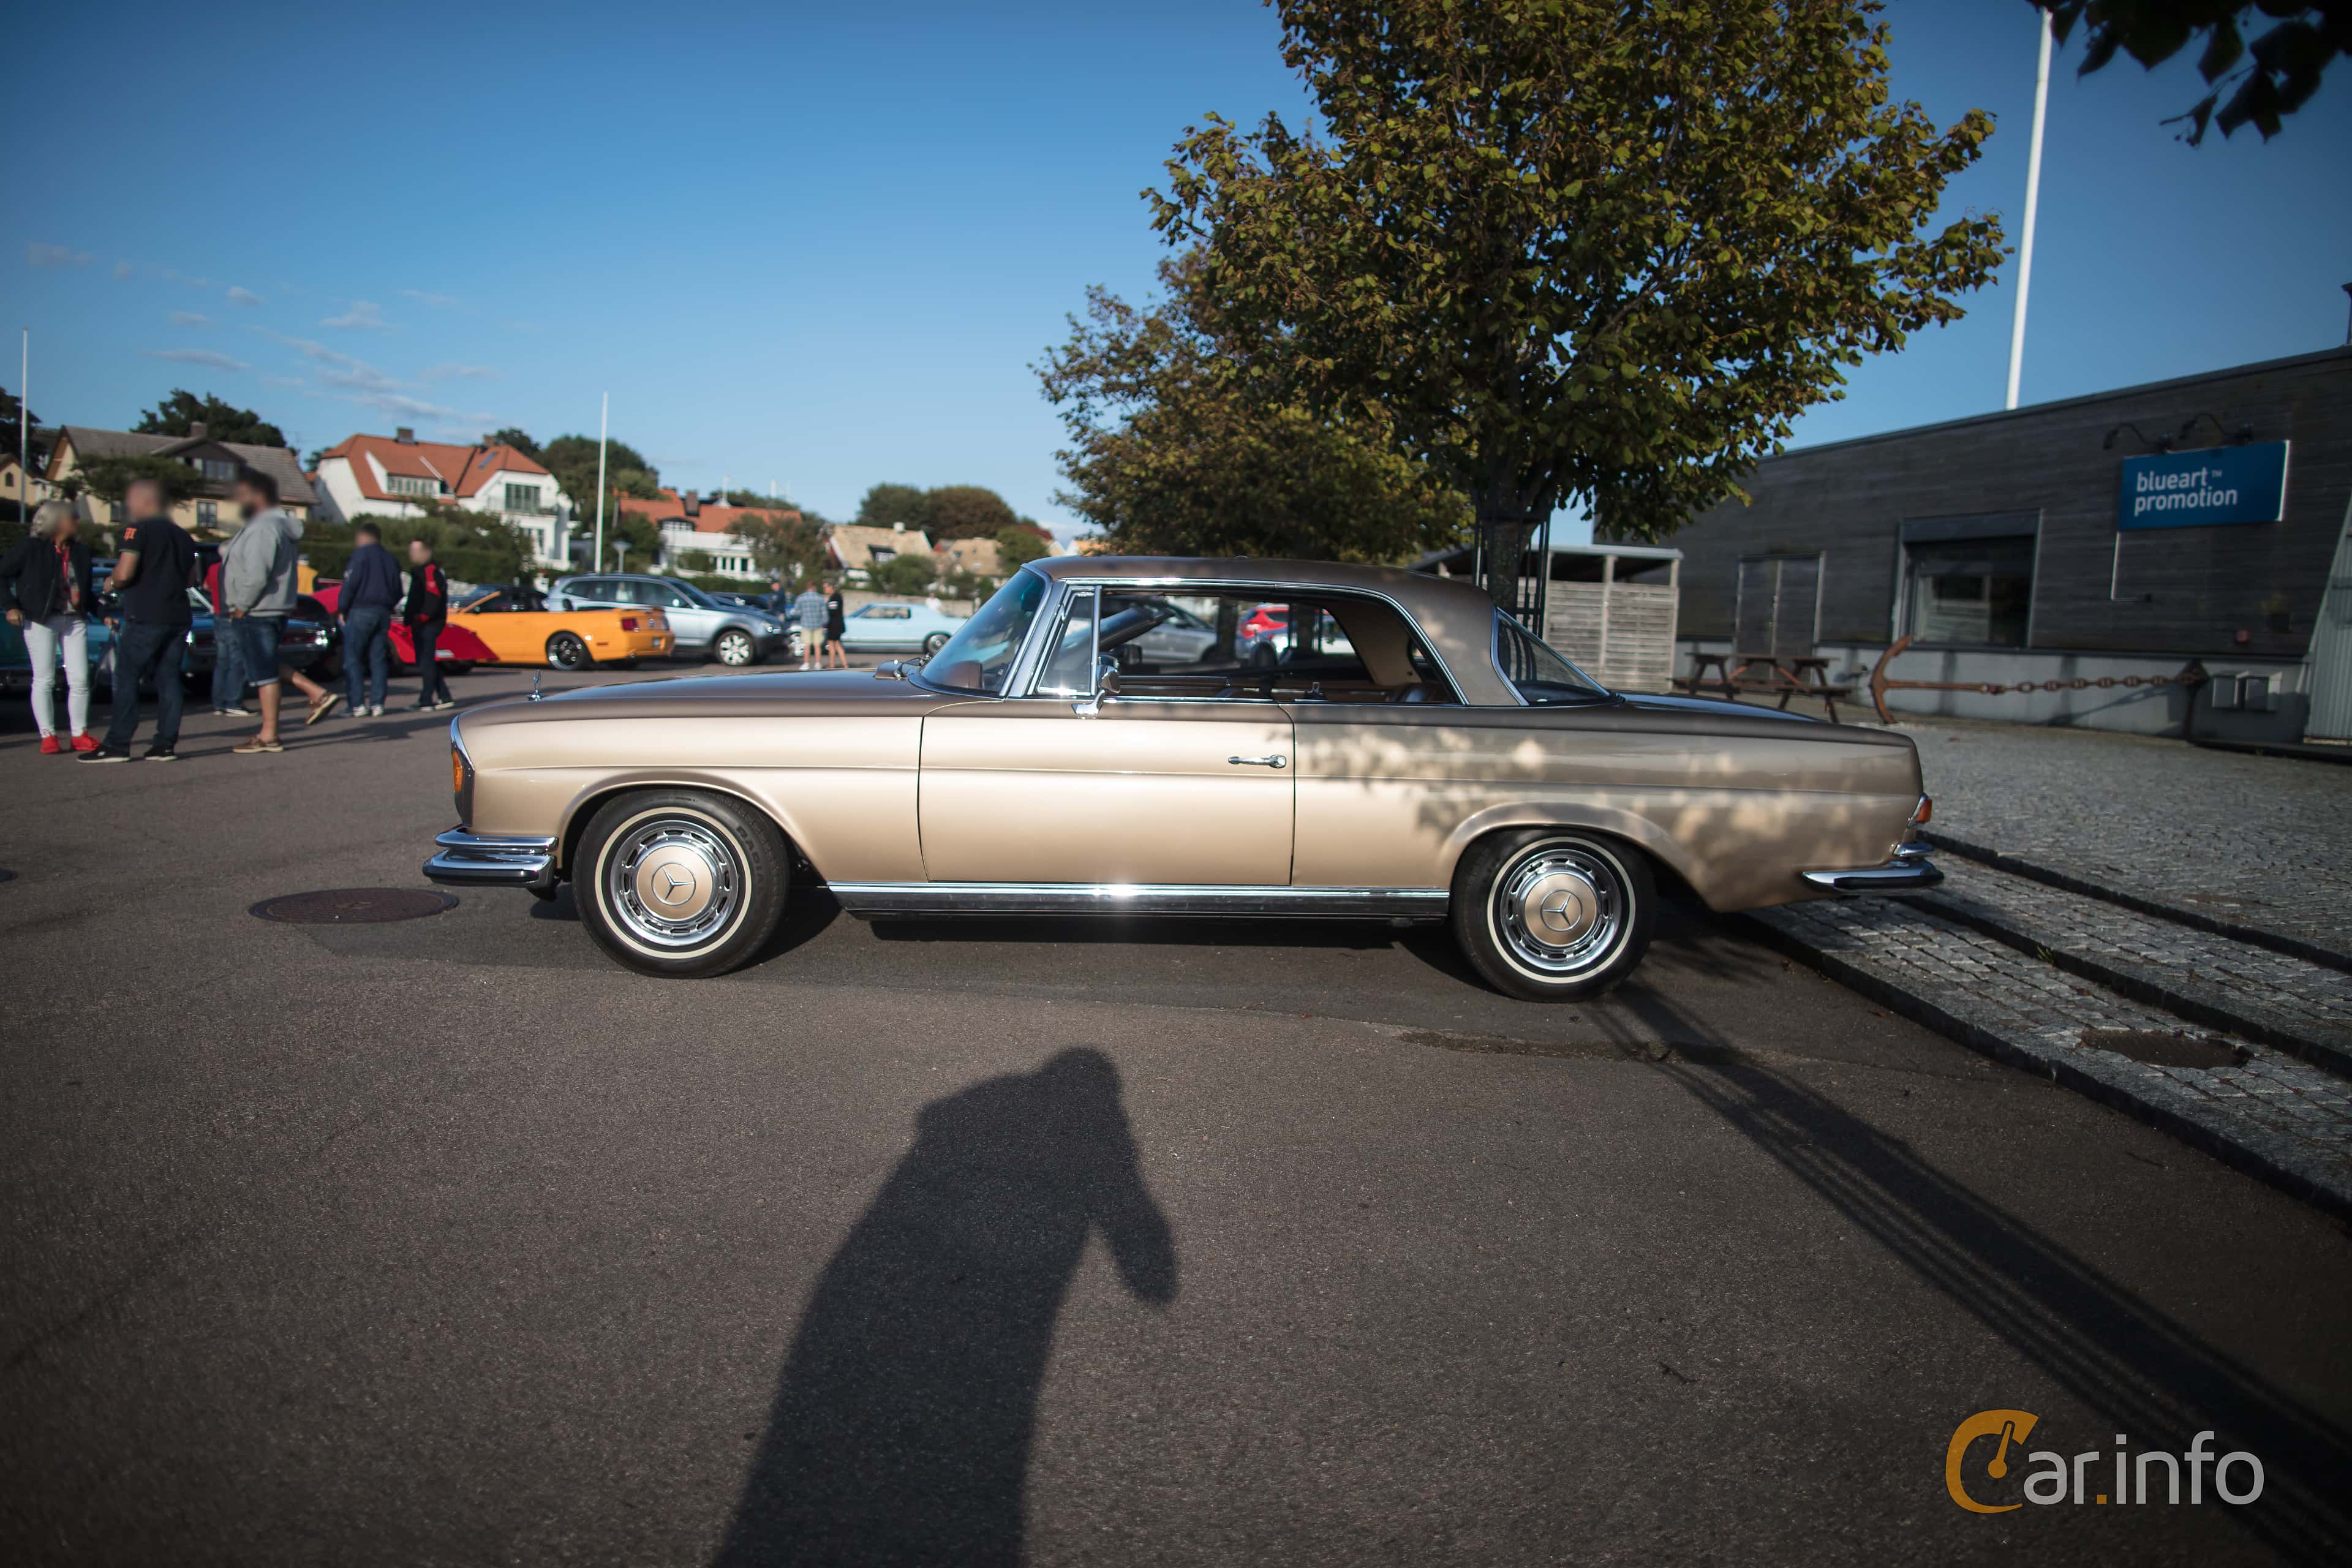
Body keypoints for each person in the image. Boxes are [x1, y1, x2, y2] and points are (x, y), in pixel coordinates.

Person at [217, 467, 337, 754]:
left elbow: (257, 573)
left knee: (264, 674)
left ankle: (269, 734)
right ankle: (315, 693)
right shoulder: (271, 526)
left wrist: (241, 606)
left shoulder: (263, 527)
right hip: (268, 607)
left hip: (258, 608)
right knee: (266, 663)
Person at [82, 477, 198, 763]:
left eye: (131, 500)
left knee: (127, 677)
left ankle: (117, 744)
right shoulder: (184, 536)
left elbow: (124, 573)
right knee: (169, 679)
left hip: (145, 615)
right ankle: (165, 745)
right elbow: (191, 579)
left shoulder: (137, 530)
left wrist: (110, 583)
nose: (128, 506)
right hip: (178, 615)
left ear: (145, 501)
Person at [1, 500, 98, 753]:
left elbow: (86, 589)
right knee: (44, 678)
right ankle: (48, 736)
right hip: (40, 619)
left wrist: (103, 613)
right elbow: (3, 574)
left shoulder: (80, 551)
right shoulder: (30, 548)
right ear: (57, 521)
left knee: (80, 679)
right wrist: (10, 606)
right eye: (73, 517)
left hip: (74, 619)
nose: (78, 522)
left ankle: (79, 734)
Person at [337, 522, 402, 717]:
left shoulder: (361, 556)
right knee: (378, 660)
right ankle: (378, 704)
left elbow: (350, 583)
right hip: (383, 613)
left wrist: (342, 609)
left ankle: (357, 704)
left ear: (363, 537)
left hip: (360, 611)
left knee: (353, 659)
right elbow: (398, 590)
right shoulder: (390, 559)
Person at [404, 537, 454, 710]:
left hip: (428, 624)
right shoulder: (421, 572)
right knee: (427, 661)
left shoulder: (430, 572)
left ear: (426, 552)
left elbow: (433, 597)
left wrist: (423, 617)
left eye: (416, 551)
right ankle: (444, 696)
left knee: (426, 662)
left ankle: (426, 700)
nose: (412, 554)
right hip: (423, 623)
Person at [203, 550, 252, 716]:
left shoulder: (213, 568)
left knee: (222, 662)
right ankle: (233, 701)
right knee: (237, 660)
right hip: (233, 615)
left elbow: (206, 586)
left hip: (218, 615)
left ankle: (218, 703)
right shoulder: (237, 569)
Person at [793, 579, 831, 669]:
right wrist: (824, 623)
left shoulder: (801, 598)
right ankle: (818, 664)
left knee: (807, 645)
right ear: (815, 587)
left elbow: (796, 612)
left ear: (807, 587)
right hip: (818, 624)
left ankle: (806, 663)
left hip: (806, 624)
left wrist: (803, 615)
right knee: (817, 645)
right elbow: (825, 614)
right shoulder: (820, 598)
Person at [825, 579, 849, 669]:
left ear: (831, 587)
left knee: (832, 645)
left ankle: (832, 665)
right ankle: (845, 664)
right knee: (838, 645)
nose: (825, 589)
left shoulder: (834, 598)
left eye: (826, 587)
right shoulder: (838, 597)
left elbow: (832, 612)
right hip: (838, 625)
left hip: (834, 625)